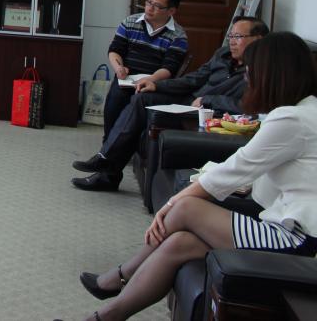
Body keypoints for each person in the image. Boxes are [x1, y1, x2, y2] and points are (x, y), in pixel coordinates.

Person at [69, 32, 317, 321]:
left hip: (299, 240)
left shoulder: (292, 119)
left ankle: (122, 275)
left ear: (272, 74)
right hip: (288, 228)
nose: (248, 80)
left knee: (185, 207)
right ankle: (104, 316)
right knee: (179, 243)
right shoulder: (304, 110)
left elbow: (236, 168)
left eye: (251, 72)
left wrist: (170, 206)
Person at [72, 16, 269, 191]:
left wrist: (208, 100)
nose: (232, 42)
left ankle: (107, 170)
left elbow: (249, 106)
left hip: (207, 115)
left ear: (258, 40)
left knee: (138, 109)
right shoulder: (223, 55)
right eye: (231, 36)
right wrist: (156, 85)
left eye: (238, 37)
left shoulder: (261, 70)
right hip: (187, 101)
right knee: (142, 97)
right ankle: (106, 161)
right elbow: (193, 79)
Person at [101, 0, 188, 140]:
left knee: (138, 103)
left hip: (154, 83)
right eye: (149, 2)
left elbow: (169, 68)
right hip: (126, 78)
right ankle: (108, 143)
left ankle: (129, 145)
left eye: (157, 6)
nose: (149, 8)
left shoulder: (178, 36)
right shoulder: (130, 22)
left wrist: (150, 80)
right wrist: (119, 67)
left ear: (171, 11)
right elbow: (115, 50)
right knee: (116, 99)